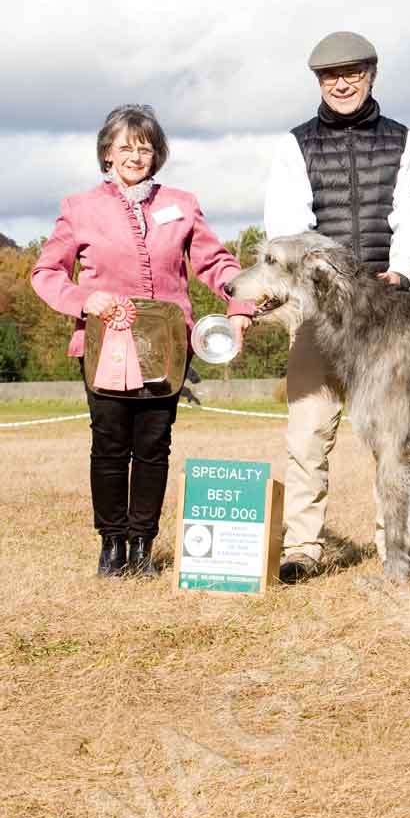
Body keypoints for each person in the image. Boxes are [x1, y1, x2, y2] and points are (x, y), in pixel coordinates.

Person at [31, 105, 253, 578]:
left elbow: (215, 264)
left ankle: (143, 546)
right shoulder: (79, 208)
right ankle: (112, 545)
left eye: (145, 146)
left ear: (158, 154)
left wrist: (242, 304)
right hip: (102, 347)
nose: (136, 155)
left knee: (154, 445)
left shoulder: (182, 203)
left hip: (169, 346)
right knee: (109, 444)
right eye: (125, 146)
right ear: (107, 153)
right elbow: (45, 273)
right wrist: (84, 300)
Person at [263, 31, 410, 584]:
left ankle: (398, 547)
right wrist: (324, 285)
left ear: (372, 75)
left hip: (388, 315)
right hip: (318, 314)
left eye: (352, 73)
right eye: (330, 75)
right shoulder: (295, 146)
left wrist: (401, 270)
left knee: (395, 437)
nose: (341, 83)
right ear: (318, 82)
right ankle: (302, 549)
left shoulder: (406, 142)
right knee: (308, 434)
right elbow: (288, 227)